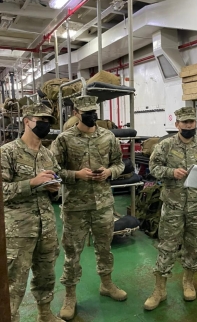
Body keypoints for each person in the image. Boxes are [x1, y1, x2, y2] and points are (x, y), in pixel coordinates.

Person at [51, 95, 126, 321]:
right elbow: (53, 170)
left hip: (103, 204)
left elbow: (120, 163)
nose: (92, 116)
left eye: (95, 112)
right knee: (73, 252)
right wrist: (76, 174)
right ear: (76, 113)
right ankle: (70, 296)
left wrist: (109, 172)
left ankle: (106, 284)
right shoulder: (64, 139)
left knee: (104, 248)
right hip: (75, 206)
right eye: (87, 113)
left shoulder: (108, 136)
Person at [144, 107, 197, 310]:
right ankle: (159, 289)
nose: (188, 125)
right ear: (177, 124)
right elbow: (153, 167)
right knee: (167, 247)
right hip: (173, 206)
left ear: (195, 123)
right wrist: (171, 172)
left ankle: (188, 282)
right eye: (184, 122)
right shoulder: (165, 146)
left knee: (194, 245)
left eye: (191, 122)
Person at [1, 103, 64, 322]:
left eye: (49, 122)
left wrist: (55, 189)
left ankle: (45, 314)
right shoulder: (7, 152)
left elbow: (55, 186)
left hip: (46, 226)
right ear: (26, 121)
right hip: (19, 230)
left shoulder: (48, 154)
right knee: (14, 282)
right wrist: (31, 183)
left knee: (46, 275)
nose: (45, 125)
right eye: (41, 120)